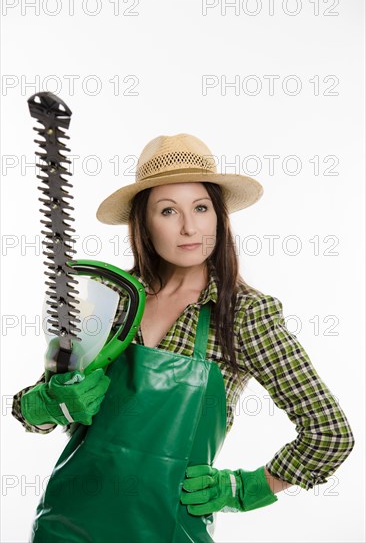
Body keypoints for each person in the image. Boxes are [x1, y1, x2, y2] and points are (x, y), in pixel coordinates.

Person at [12, 133, 355, 542]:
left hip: (168, 530)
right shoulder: (108, 302)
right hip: (67, 525)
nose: (189, 226)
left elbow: (330, 432)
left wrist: (246, 489)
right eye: (168, 210)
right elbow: (31, 414)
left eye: (201, 208)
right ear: (143, 223)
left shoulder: (243, 314)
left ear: (219, 217)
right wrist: (47, 402)